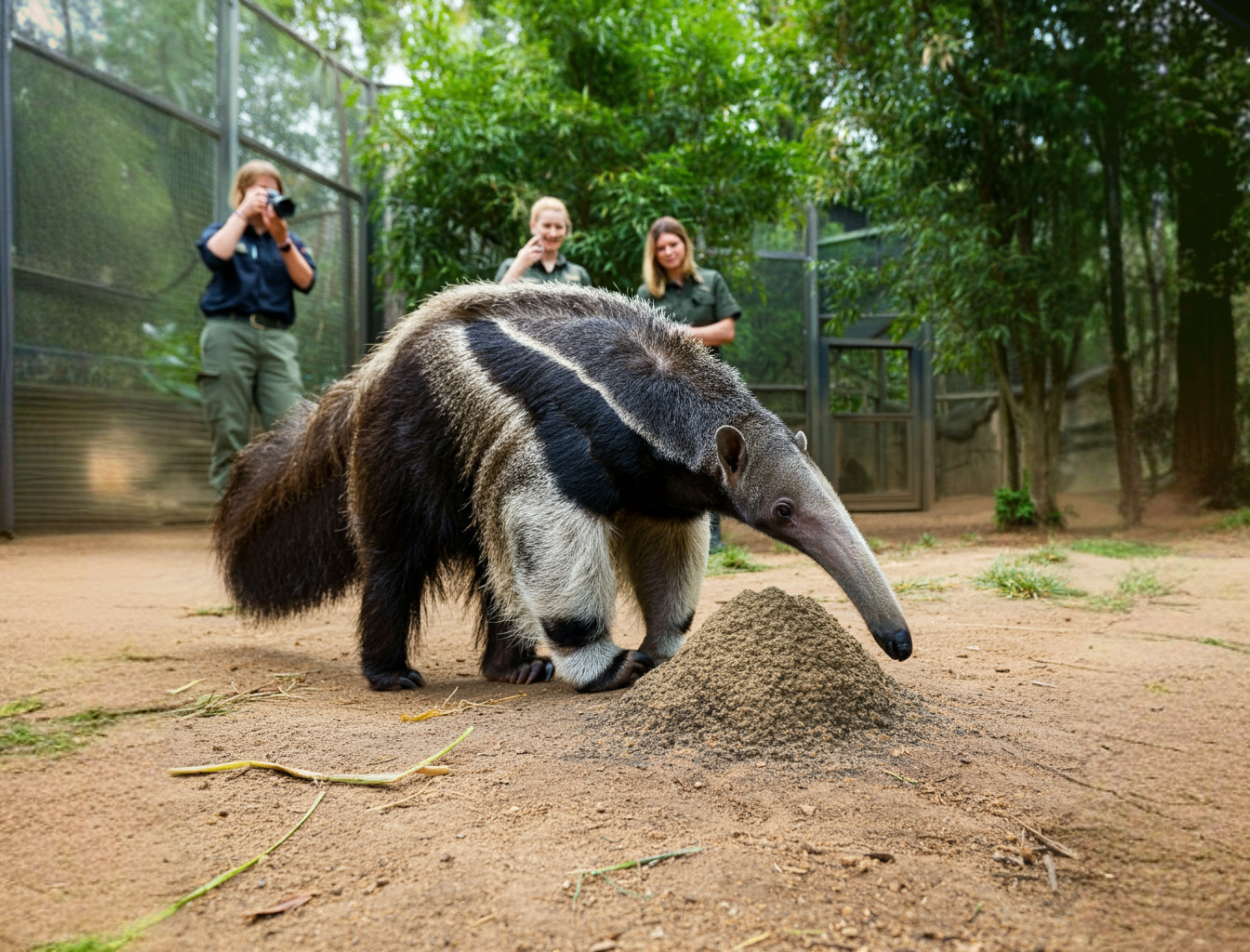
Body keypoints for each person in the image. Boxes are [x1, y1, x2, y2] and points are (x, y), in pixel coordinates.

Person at [196, 160, 316, 497]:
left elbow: (306, 281)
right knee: (228, 430)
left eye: (273, 190)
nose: (268, 196)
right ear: (242, 192)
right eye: (260, 190)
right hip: (227, 333)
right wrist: (242, 214)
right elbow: (214, 255)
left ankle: (285, 523)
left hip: (277, 338)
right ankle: (230, 524)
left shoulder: (289, 240)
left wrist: (282, 239)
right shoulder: (223, 230)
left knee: (292, 430)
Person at [637, 215, 742, 551]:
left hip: (711, 387)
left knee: (715, 457)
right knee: (674, 459)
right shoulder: (646, 293)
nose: (668, 252)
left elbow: (726, 331)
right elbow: (644, 342)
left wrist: (685, 334)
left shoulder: (711, 281)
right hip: (667, 389)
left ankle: (713, 536)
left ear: (685, 244)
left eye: (673, 244)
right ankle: (676, 535)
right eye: (661, 248)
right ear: (653, 255)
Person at [495, 197, 591, 286]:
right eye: (546, 226)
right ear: (533, 226)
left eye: (559, 227)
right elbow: (495, 303)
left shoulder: (578, 273)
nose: (553, 234)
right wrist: (519, 266)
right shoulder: (510, 266)